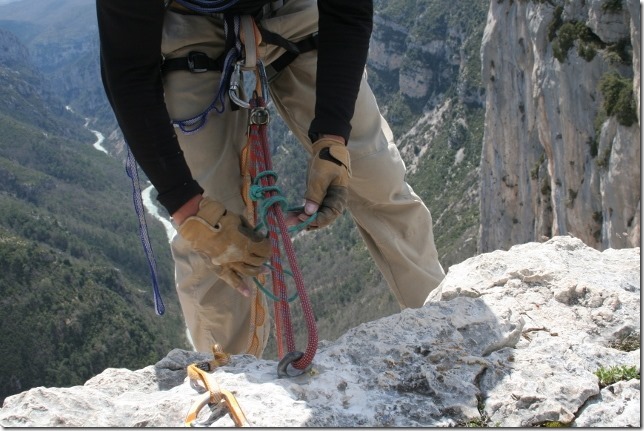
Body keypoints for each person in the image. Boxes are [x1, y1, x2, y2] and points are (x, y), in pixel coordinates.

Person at [96, 0, 445, 357]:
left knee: (375, 176)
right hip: (189, 17)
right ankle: (227, 374)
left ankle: (444, 330)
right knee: (211, 240)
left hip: (291, 6)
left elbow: (348, 10)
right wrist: (188, 208)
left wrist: (333, 139)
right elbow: (128, 70)